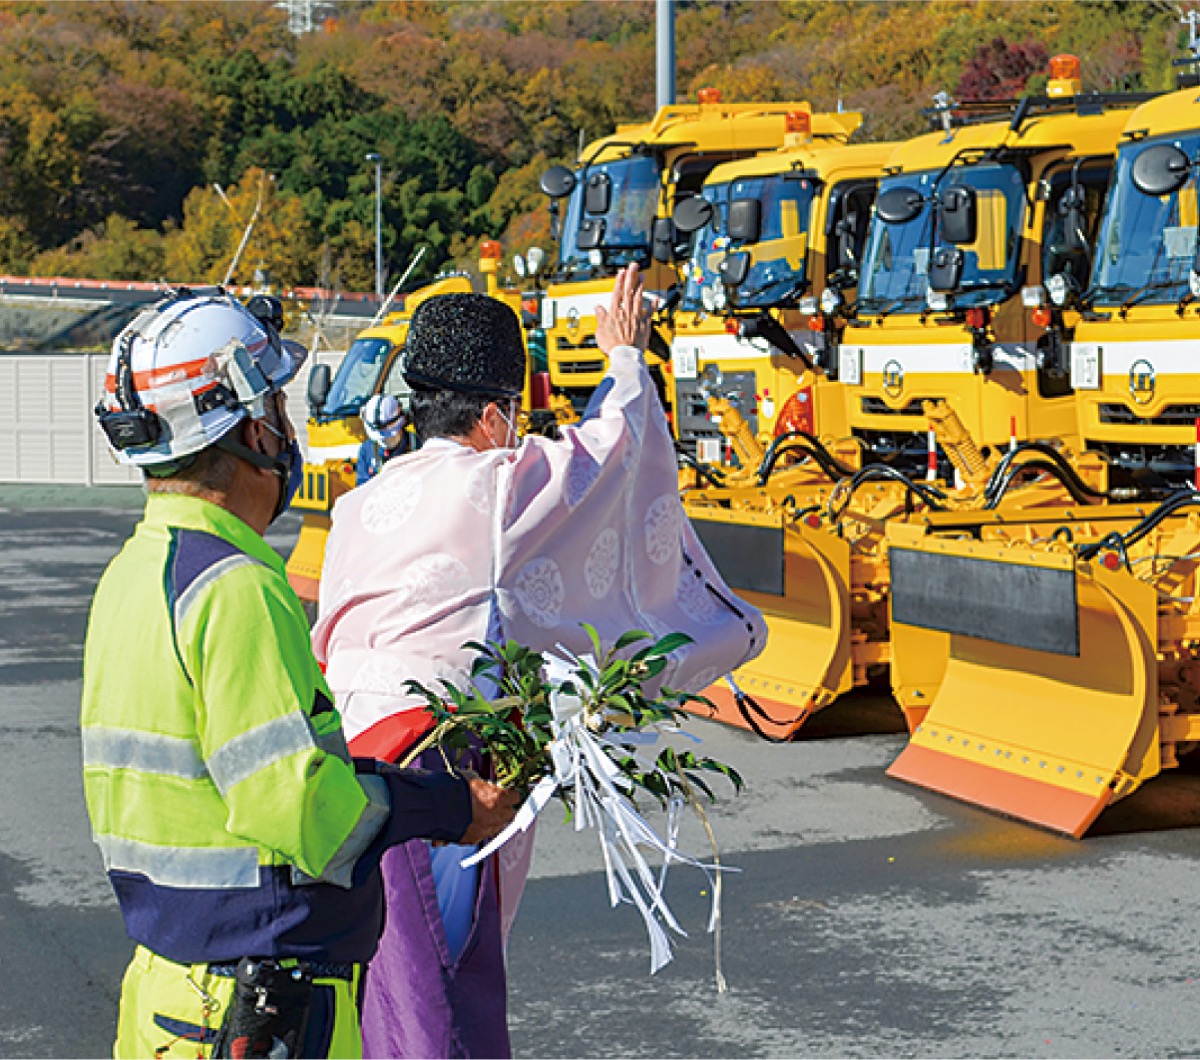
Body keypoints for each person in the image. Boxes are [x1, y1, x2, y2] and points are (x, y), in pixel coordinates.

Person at [313, 264, 767, 1059]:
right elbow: (613, 451)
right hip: (438, 782)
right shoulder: (490, 487)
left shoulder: (358, 505)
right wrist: (625, 358)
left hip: (344, 784)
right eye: (515, 418)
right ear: (492, 416)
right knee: (440, 1009)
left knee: (379, 1000)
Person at [81, 292, 517, 1060]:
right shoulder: (236, 589)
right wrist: (452, 806)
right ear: (252, 428)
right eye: (277, 406)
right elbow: (306, 810)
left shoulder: (131, 576)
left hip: (165, 993)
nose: (287, 430)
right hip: (258, 1006)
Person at [355, 393, 410, 484]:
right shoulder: (366, 450)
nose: (383, 440)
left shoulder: (418, 445)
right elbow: (363, 488)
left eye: (387, 436)